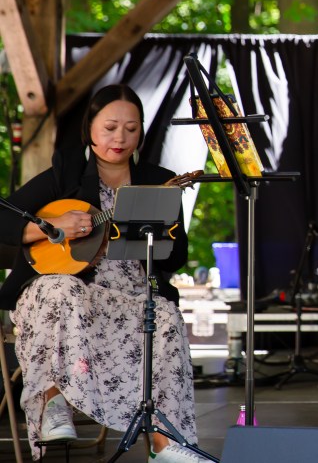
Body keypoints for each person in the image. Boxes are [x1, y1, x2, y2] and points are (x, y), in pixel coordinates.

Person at [0, 84, 199, 461]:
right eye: (110, 127)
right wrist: (50, 226)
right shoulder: (66, 171)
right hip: (64, 292)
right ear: (90, 127)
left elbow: (177, 260)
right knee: (61, 290)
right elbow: (4, 218)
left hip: (129, 295)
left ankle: (166, 445)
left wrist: (157, 232)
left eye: (131, 128)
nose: (120, 138)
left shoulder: (158, 178)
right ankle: (54, 407)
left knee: (166, 317)